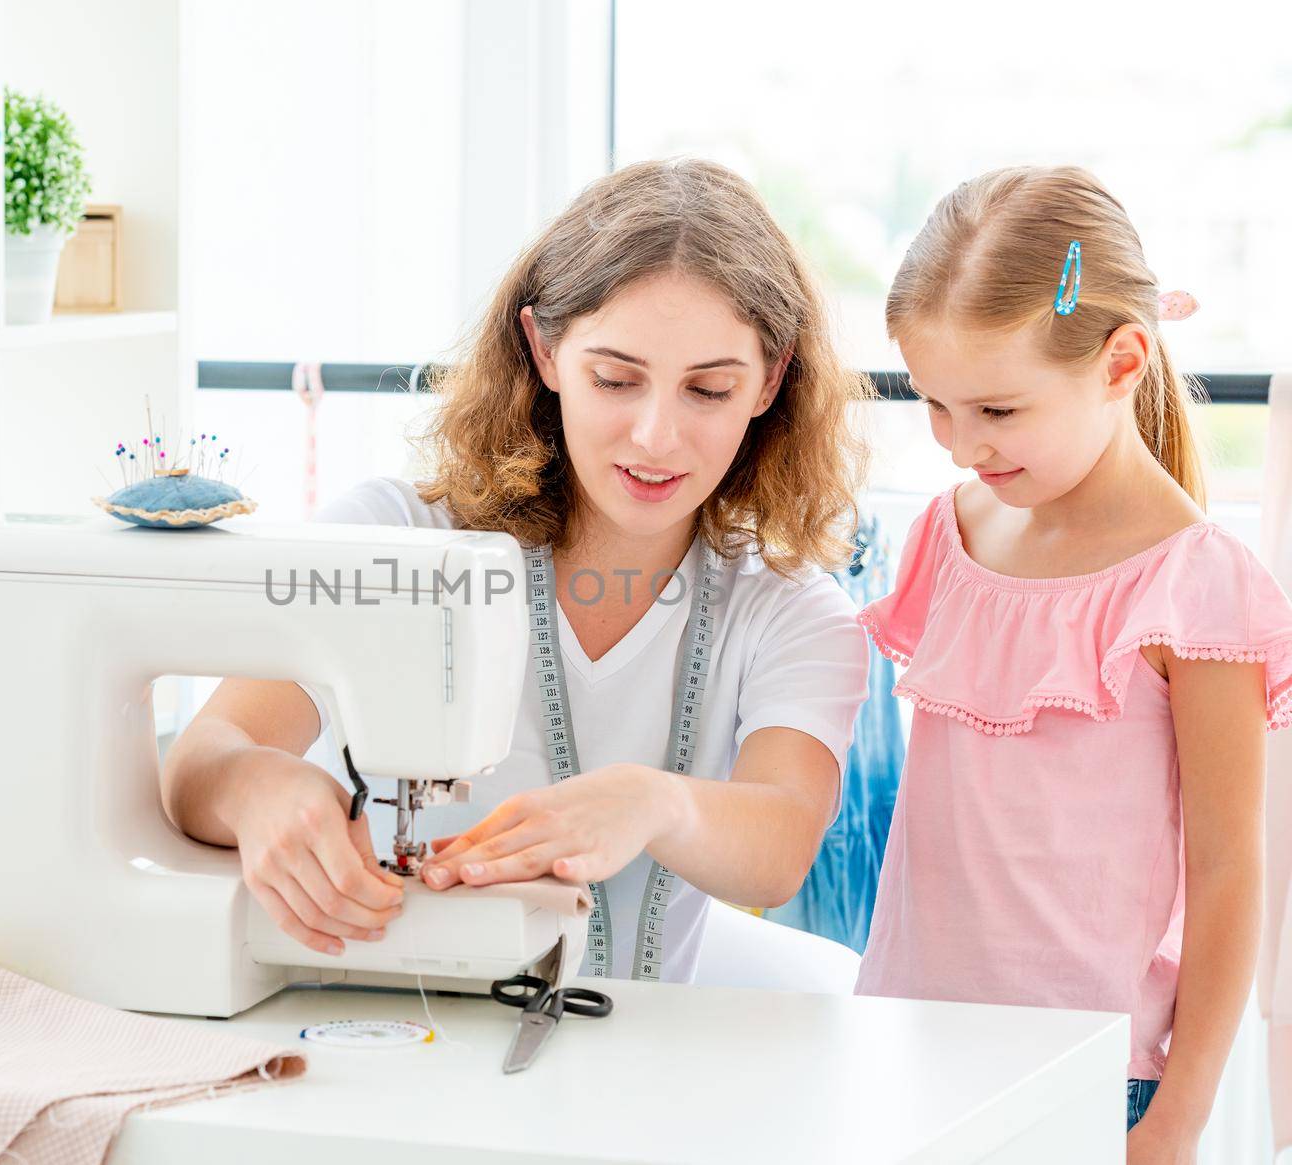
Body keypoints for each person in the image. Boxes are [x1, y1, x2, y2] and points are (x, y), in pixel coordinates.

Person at [161, 158, 872, 984]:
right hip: (369, 1020)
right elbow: (202, 757)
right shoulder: (392, 537)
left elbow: (779, 844)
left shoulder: (792, 613)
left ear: (771, 381)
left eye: (708, 390)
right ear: (543, 349)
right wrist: (256, 789)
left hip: (628, 1063)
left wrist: (657, 801)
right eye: (615, 378)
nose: (655, 435)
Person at [853, 165, 1292, 1157]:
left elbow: (1229, 873)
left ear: (1121, 361)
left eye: (998, 412)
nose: (961, 446)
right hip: (906, 1042)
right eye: (934, 405)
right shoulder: (949, 532)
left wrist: (1176, 1119)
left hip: (1094, 1080)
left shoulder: (1195, 586)